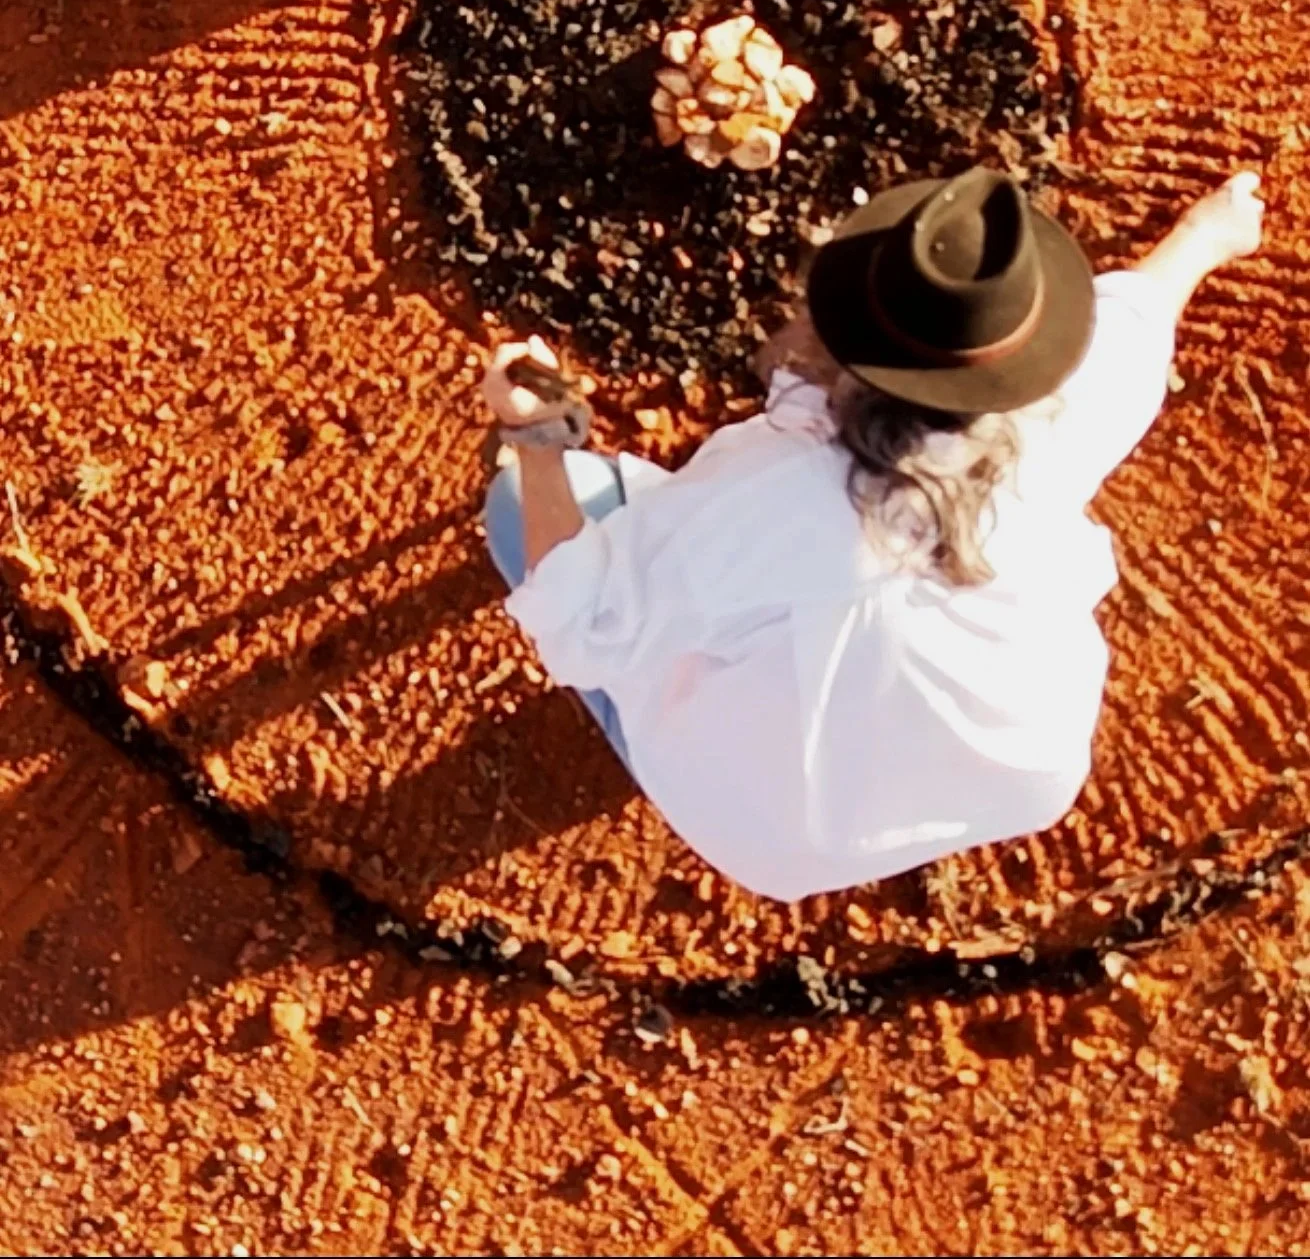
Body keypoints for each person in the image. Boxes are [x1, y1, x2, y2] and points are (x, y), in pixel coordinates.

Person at [481, 164, 1265, 902]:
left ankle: (654, 737)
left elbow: (581, 624)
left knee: (521, 510)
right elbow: (1137, 318)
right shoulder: (1060, 412)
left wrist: (539, 440)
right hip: (1007, 776)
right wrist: (1207, 235)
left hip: (768, 827)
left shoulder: (776, 500)